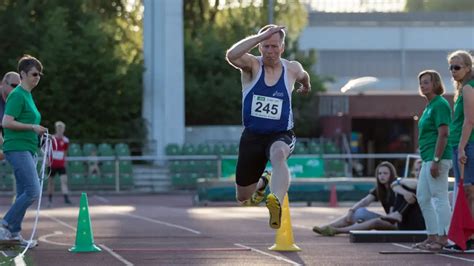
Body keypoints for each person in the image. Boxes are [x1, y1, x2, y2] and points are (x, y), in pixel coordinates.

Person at [225, 24, 311, 229]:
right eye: (265, 46)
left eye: (274, 46)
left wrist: (306, 86)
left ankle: (276, 202)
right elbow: (231, 55)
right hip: (252, 136)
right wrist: (259, 36)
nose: (270, 51)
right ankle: (264, 181)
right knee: (243, 196)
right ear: (259, 47)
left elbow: (304, 75)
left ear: (282, 47)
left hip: (281, 133)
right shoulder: (252, 66)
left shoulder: (291, 68)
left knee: (279, 153)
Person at [0, 55, 47, 247]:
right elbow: (6, 122)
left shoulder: (27, 95)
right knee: (33, 191)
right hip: (17, 148)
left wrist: (39, 134)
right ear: (23, 74)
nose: (37, 77)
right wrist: (32, 128)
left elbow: (27, 121)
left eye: (39, 74)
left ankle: (14, 233)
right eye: (34, 74)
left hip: (28, 148)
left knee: (23, 192)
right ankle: (5, 223)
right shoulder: (18, 94)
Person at [312, 161, 425, 236]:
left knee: (374, 221)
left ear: (391, 174)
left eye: (385, 173)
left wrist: (400, 187)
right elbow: (365, 201)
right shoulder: (381, 189)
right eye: (380, 173)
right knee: (359, 212)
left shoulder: (400, 186)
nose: (382, 176)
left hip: (398, 221)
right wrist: (351, 211)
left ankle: (336, 230)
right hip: (390, 218)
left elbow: (393, 213)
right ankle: (327, 227)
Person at [413, 70, 452, 251]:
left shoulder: (440, 104)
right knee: (423, 197)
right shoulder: (428, 106)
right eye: (421, 82)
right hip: (427, 158)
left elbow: (443, 134)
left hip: (438, 158)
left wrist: (436, 159)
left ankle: (444, 238)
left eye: (427, 82)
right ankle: (432, 236)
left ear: (436, 83)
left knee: (440, 197)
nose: (423, 85)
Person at [446, 50, 474, 251]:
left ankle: (469, 238)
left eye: (457, 67)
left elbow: (470, 120)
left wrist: (463, 147)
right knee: (467, 192)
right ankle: (467, 237)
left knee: (468, 191)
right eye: (451, 67)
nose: (453, 71)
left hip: (466, 145)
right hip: (461, 144)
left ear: (468, 68)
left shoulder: (468, 89)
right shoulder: (463, 88)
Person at [48, 121, 72, 206]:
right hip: (52, 164)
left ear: (64, 129)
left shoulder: (66, 140)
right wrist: (48, 160)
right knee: (51, 182)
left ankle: (66, 198)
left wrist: (63, 161)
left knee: (64, 181)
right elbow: (48, 150)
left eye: (61, 128)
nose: (60, 129)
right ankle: (49, 199)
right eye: (58, 128)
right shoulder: (52, 138)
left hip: (61, 165)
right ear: (56, 129)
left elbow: (65, 151)